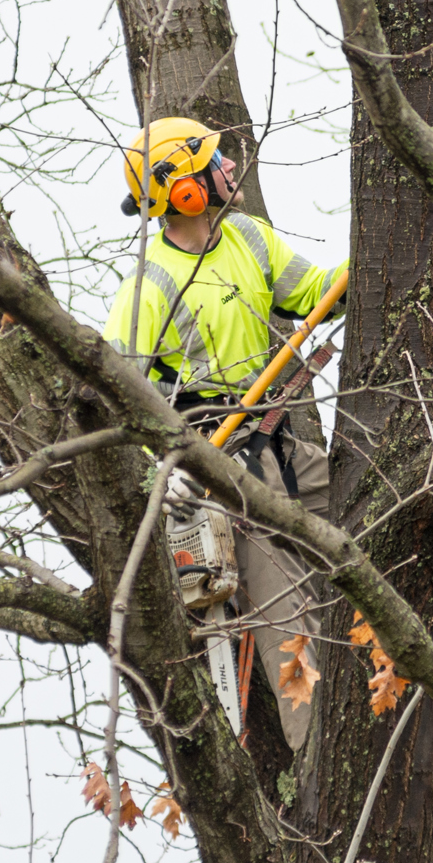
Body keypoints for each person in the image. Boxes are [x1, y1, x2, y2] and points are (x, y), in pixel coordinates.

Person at [105, 117, 345, 748]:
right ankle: (316, 757)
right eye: (218, 160)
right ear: (185, 190)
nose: (233, 166)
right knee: (292, 623)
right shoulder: (148, 283)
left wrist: (372, 258)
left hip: (278, 449)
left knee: (379, 496)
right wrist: (164, 467)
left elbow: (319, 292)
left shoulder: (247, 236)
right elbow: (115, 394)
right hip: (218, 475)